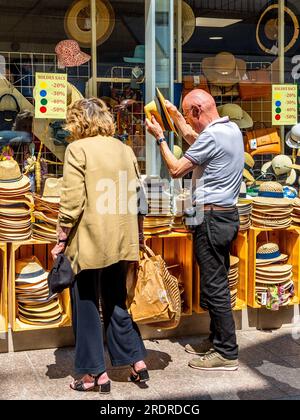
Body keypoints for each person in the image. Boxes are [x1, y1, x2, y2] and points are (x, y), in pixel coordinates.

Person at [51, 98, 149, 393]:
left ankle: (93, 374)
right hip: (121, 236)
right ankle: (136, 362)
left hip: (90, 238)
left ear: (78, 122)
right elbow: (139, 196)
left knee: (86, 304)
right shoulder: (124, 149)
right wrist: (140, 236)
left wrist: (60, 238)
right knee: (117, 299)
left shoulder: (77, 149)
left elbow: (71, 199)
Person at [146, 89, 244, 371]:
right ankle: (217, 339)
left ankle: (226, 352)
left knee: (215, 287)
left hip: (211, 220)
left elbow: (177, 169)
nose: (191, 121)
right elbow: (196, 142)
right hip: (225, 218)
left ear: (198, 112)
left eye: (190, 115)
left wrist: (161, 138)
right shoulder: (230, 130)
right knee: (218, 282)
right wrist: (177, 118)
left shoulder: (213, 136)